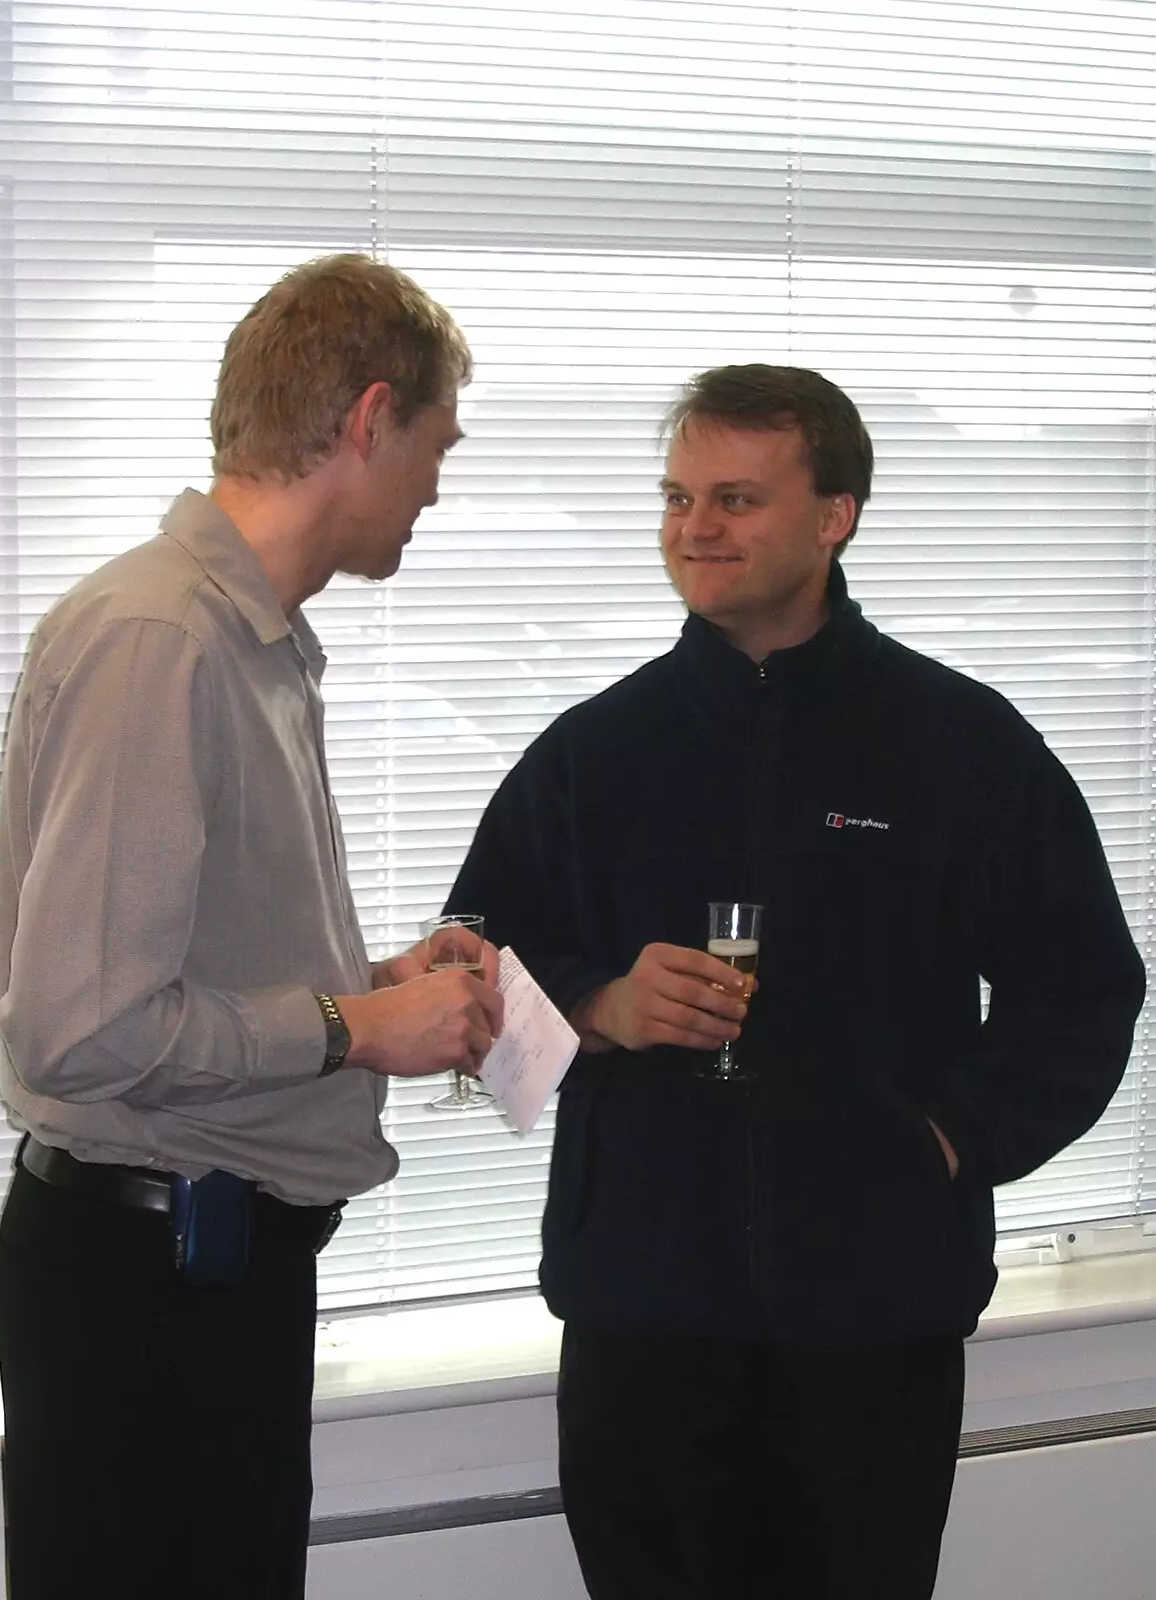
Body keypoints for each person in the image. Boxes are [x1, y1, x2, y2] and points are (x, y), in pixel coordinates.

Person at [446, 363, 1146, 1600]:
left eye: (734, 499)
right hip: (643, 1323)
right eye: (675, 499)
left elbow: (1085, 987)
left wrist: (949, 1138)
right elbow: (464, 981)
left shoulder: (963, 747)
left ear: (836, 514)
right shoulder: (592, 757)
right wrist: (600, 1008)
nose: (694, 530)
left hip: (873, 1326)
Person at [0, 253, 503, 1600]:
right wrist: (354, 1028)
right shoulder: (163, 639)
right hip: (149, 1286)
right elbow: (87, 1027)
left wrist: (371, 987)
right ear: (367, 420)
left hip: (206, 1274)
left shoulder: (251, 641)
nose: (439, 486)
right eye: (437, 445)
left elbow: (180, 976)